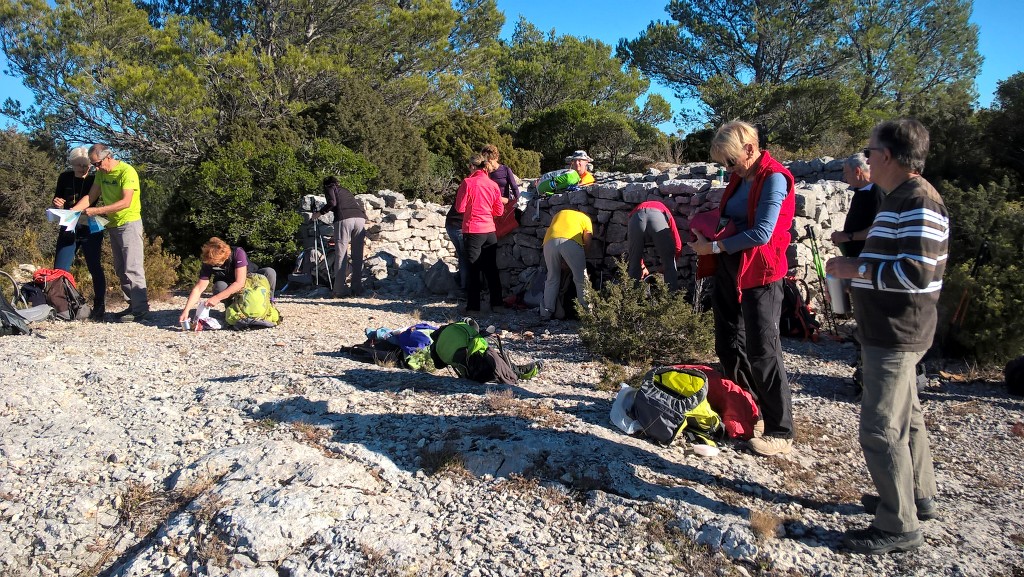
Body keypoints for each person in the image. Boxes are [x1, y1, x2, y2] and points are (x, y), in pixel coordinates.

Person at [826, 118, 947, 555]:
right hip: (894, 329)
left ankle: (898, 524)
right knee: (908, 416)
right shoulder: (901, 198)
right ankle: (917, 497)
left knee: (880, 428)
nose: (866, 158)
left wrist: (853, 269)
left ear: (888, 156)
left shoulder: (917, 202)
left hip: (896, 334)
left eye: (870, 150)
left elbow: (917, 274)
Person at [688, 120, 796, 457]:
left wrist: (714, 249)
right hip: (730, 267)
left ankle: (780, 430)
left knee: (764, 349)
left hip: (761, 271)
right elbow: (732, 219)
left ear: (750, 149)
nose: (727, 168)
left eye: (731, 161)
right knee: (728, 340)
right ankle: (749, 409)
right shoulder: (741, 176)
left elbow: (763, 232)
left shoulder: (773, 178)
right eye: (724, 163)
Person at [69, 144, 148, 323]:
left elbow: (126, 201)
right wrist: (72, 211)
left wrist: (97, 211)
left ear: (108, 157)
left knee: (132, 267)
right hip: (113, 225)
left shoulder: (127, 172)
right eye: (93, 164)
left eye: (97, 164)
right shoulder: (100, 174)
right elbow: (91, 197)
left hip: (129, 223)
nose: (96, 168)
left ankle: (141, 309)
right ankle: (132, 305)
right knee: (121, 268)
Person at [52, 146, 106, 319]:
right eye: (80, 165)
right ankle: (61, 306)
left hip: (90, 224)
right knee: (60, 267)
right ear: (72, 164)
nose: (84, 169)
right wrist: (58, 204)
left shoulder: (94, 178)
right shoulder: (65, 177)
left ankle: (99, 305)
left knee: (94, 265)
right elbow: (58, 199)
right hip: (68, 224)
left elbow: (93, 200)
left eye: (87, 165)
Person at [179, 237, 278, 323]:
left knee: (269, 272)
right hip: (228, 282)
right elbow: (199, 288)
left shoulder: (238, 253)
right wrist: (186, 310)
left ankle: (269, 304)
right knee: (219, 286)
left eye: (217, 264)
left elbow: (240, 283)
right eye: (212, 264)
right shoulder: (208, 261)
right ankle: (231, 310)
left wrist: (217, 298)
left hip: (249, 279)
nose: (214, 265)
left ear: (225, 256)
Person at [455, 153, 504, 313]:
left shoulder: (468, 183)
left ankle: (473, 308)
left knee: (473, 270)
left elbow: (460, 208)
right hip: (490, 231)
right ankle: (497, 305)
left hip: (473, 229)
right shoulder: (493, 185)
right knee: (492, 269)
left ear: (472, 166)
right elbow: (499, 210)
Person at [313, 176, 367, 297]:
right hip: (360, 219)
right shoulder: (345, 190)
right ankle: (356, 289)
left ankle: (339, 290)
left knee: (341, 254)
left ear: (327, 184)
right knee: (357, 255)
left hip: (344, 219)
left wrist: (319, 213)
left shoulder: (329, 188)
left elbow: (332, 203)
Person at [541, 208, 592, 321]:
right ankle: (586, 313)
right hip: (571, 242)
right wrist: (583, 256)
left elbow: (557, 235)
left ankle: (546, 313)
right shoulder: (585, 218)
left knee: (552, 278)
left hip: (549, 242)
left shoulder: (559, 213)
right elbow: (587, 237)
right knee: (581, 279)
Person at [830, 153, 884, 258]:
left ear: (857, 171)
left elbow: (878, 228)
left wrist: (848, 236)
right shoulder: (860, 191)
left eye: (846, 173)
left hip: (868, 259)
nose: (845, 178)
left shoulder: (876, 193)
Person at [627, 200, 682, 291]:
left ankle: (632, 300)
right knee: (669, 263)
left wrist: (642, 266)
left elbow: (632, 249)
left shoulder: (636, 209)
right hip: (658, 217)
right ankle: (672, 300)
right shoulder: (664, 210)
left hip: (636, 218)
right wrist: (672, 260)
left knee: (634, 263)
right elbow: (677, 243)